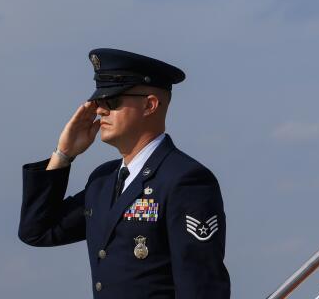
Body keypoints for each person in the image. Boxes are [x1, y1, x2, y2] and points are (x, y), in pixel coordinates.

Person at [18, 48, 230, 297]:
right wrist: (63, 154)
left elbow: (201, 287)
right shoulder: (103, 181)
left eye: (111, 101)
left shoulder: (184, 180)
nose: (99, 111)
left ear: (150, 105)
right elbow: (37, 231)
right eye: (98, 102)